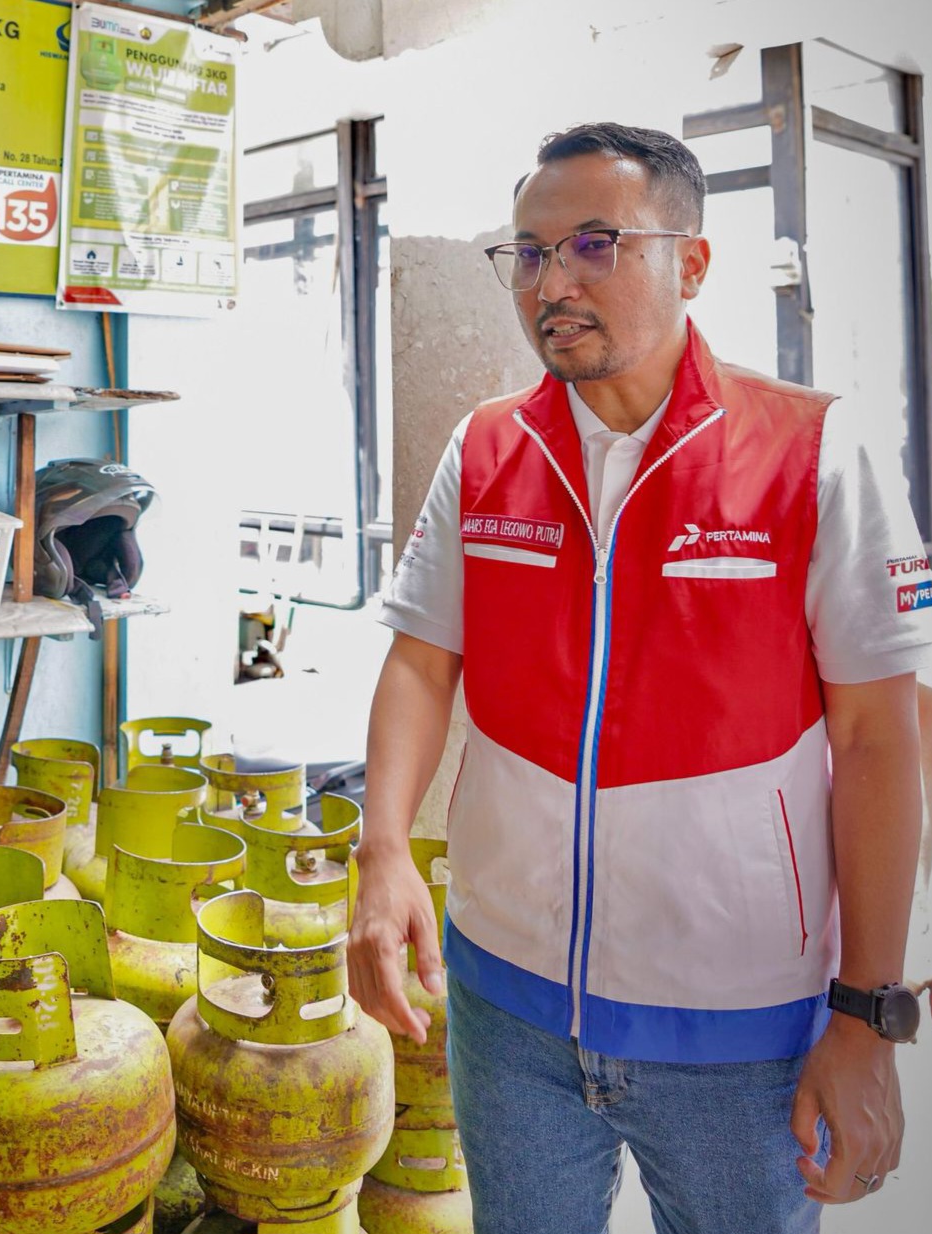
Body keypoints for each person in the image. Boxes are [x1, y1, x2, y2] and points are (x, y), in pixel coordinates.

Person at [348, 121, 928, 1234]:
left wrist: (865, 1012)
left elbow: (875, 738)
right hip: (503, 1001)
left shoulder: (814, 451)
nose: (550, 281)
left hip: (737, 1029)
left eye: (593, 244)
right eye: (526, 251)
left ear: (691, 263)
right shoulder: (481, 451)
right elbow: (421, 661)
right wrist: (380, 855)